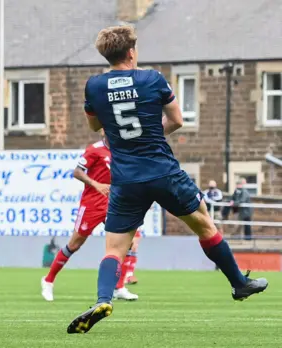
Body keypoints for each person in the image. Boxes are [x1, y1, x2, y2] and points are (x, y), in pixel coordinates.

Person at [66, 25, 268, 334]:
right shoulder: (152, 79)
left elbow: (95, 127)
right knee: (205, 225)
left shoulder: (94, 86)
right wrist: (150, 132)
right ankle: (239, 283)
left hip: (125, 178)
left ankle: (103, 299)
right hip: (162, 170)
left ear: (106, 55)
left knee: (114, 248)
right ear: (131, 52)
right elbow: (177, 119)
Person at [41, 131, 139, 302]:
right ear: (103, 132)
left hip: (113, 204)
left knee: (126, 242)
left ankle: (119, 287)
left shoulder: (122, 150)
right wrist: (96, 184)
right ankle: (48, 281)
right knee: (74, 244)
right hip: (92, 205)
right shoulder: (95, 150)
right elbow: (77, 172)